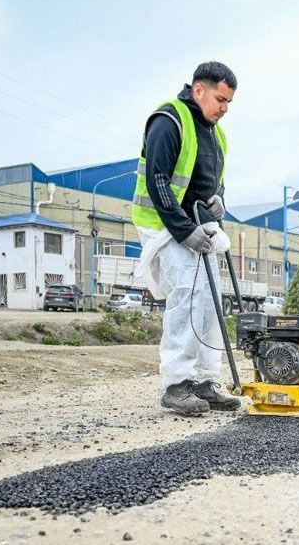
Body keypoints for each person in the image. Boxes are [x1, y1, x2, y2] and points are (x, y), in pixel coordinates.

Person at [131, 61, 240, 416]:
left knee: (210, 301)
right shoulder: (169, 120)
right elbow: (158, 180)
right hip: (164, 225)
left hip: (199, 224)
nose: (224, 108)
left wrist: (218, 197)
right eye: (220, 99)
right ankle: (176, 384)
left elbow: (215, 178)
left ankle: (205, 381)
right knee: (188, 297)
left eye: (228, 103)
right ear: (199, 90)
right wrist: (184, 230)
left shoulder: (216, 132)